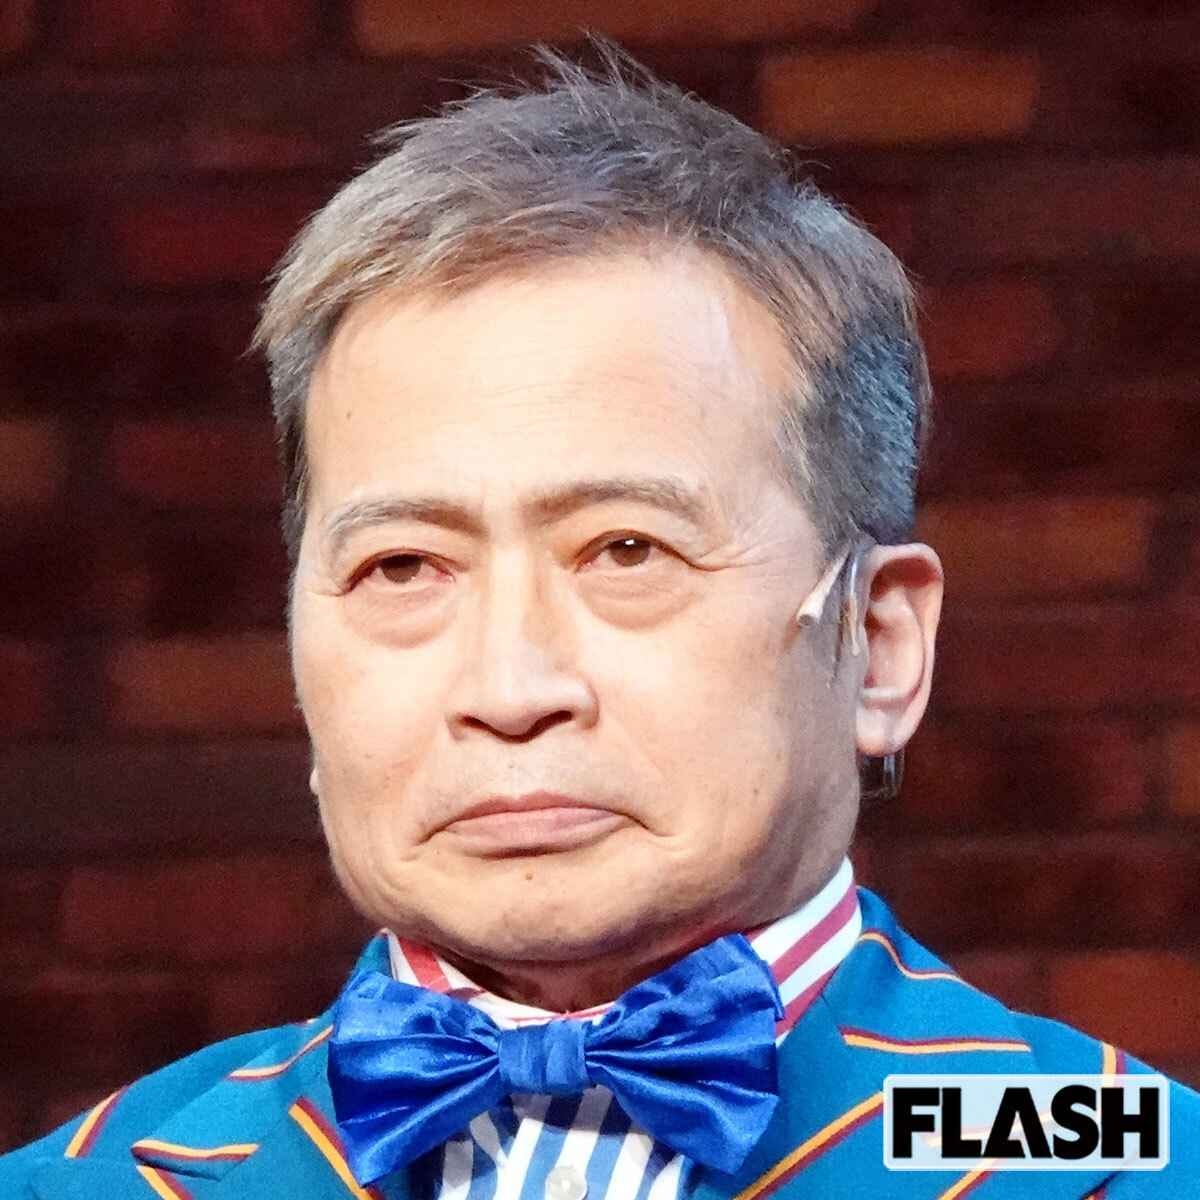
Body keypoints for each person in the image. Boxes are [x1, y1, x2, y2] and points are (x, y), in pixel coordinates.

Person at [3, 43, 1196, 1200]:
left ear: (880, 646)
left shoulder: (1131, 1166)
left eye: (627, 551)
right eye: (403, 566)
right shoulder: (88, 1183)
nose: (509, 689)